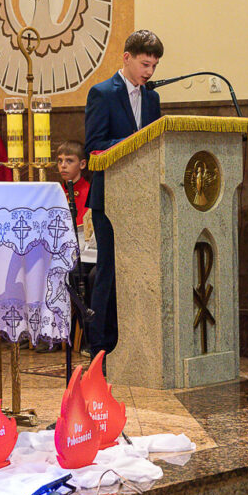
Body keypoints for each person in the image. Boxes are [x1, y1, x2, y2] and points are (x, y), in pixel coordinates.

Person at [84, 30, 163, 360]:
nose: (149, 72)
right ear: (127, 58)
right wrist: (132, 144)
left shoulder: (152, 99)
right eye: (145, 64)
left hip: (141, 197)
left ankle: (135, 341)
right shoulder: (102, 93)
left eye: (154, 66)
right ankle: (100, 345)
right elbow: (93, 147)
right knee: (110, 269)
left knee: (140, 269)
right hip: (110, 196)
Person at [56, 139, 90, 226]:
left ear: (82, 164)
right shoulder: (56, 192)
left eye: (69, 161)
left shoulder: (89, 193)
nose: (63, 165)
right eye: (60, 161)